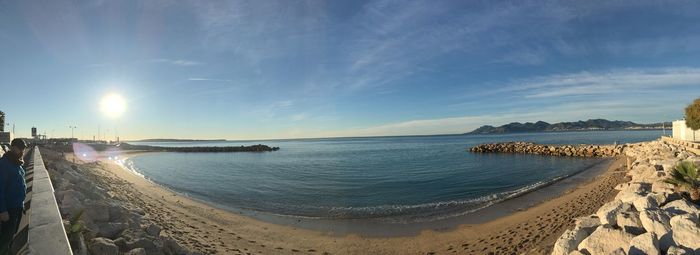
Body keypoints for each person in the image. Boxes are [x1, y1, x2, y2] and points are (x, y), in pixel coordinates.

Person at [0, 139, 28, 254]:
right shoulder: (4, 164)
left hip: (17, 207)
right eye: (20, 148)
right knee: (5, 238)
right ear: (13, 148)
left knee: (11, 235)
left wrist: (22, 205)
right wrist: (2, 210)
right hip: (9, 209)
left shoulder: (17, 162)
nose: (22, 151)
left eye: (23, 148)